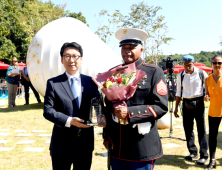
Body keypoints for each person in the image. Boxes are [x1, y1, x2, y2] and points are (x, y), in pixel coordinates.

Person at [103, 28, 168, 170]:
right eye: (124, 48)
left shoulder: (153, 72)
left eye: (131, 48)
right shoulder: (114, 72)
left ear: (141, 49)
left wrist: (130, 113)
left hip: (141, 146)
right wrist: (107, 134)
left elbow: (161, 106)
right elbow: (108, 106)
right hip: (118, 145)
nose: (127, 51)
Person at [44, 42, 104, 170]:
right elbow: (48, 111)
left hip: (85, 144)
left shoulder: (91, 82)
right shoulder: (53, 83)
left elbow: (98, 106)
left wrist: (101, 116)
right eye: (67, 56)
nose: (71, 60)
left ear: (81, 59)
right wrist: (69, 121)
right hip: (61, 145)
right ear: (61, 59)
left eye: (75, 56)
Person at [174, 55, 208, 165]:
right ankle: (193, 152)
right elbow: (178, 93)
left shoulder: (201, 73)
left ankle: (204, 155)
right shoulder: (180, 76)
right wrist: (175, 108)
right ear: (183, 64)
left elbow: (207, 88)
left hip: (198, 103)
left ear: (193, 63)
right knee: (188, 130)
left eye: (189, 65)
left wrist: (207, 96)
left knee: (201, 129)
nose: (187, 67)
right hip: (186, 103)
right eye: (185, 65)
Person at [204, 55, 222, 170]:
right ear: (211, 64)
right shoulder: (207, 79)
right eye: (215, 63)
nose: (217, 65)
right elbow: (207, 94)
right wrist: (206, 98)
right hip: (213, 111)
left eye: (220, 63)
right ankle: (212, 160)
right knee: (212, 137)